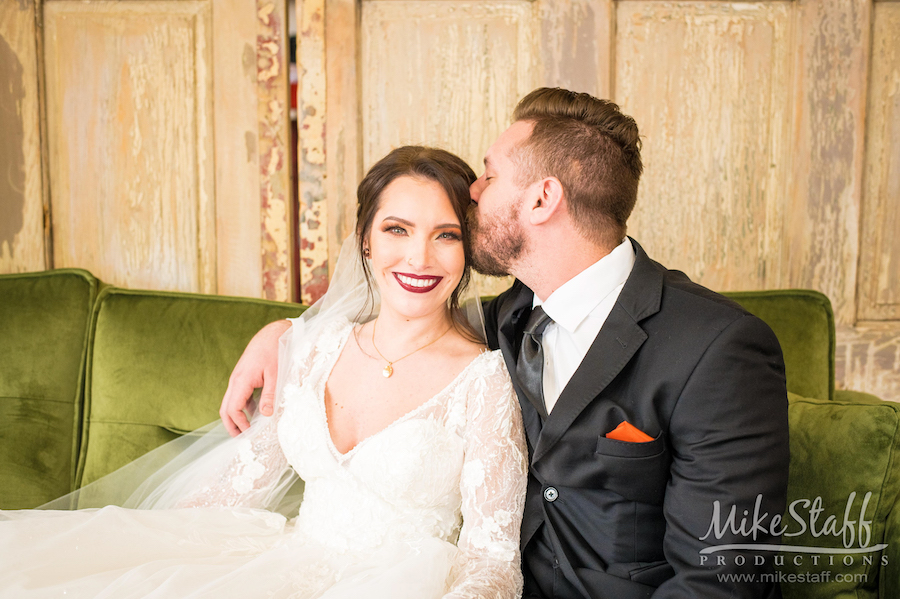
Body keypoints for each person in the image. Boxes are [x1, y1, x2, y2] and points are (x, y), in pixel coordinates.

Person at [221, 88, 791, 598]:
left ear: (542, 200)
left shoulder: (718, 348)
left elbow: (719, 581)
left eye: (490, 176)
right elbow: (401, 313)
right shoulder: (511, 315)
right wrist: (283, 336)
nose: (473, 189)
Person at [0, 146, 529, 599]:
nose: (419, 257)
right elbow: (234, 490)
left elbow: (491, 559)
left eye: (446, 235)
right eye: (397, 229)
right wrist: (152, 545)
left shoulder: (483, 381)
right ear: (365, 239)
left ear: (468, 250)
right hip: (283, 563)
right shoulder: (313, 347)